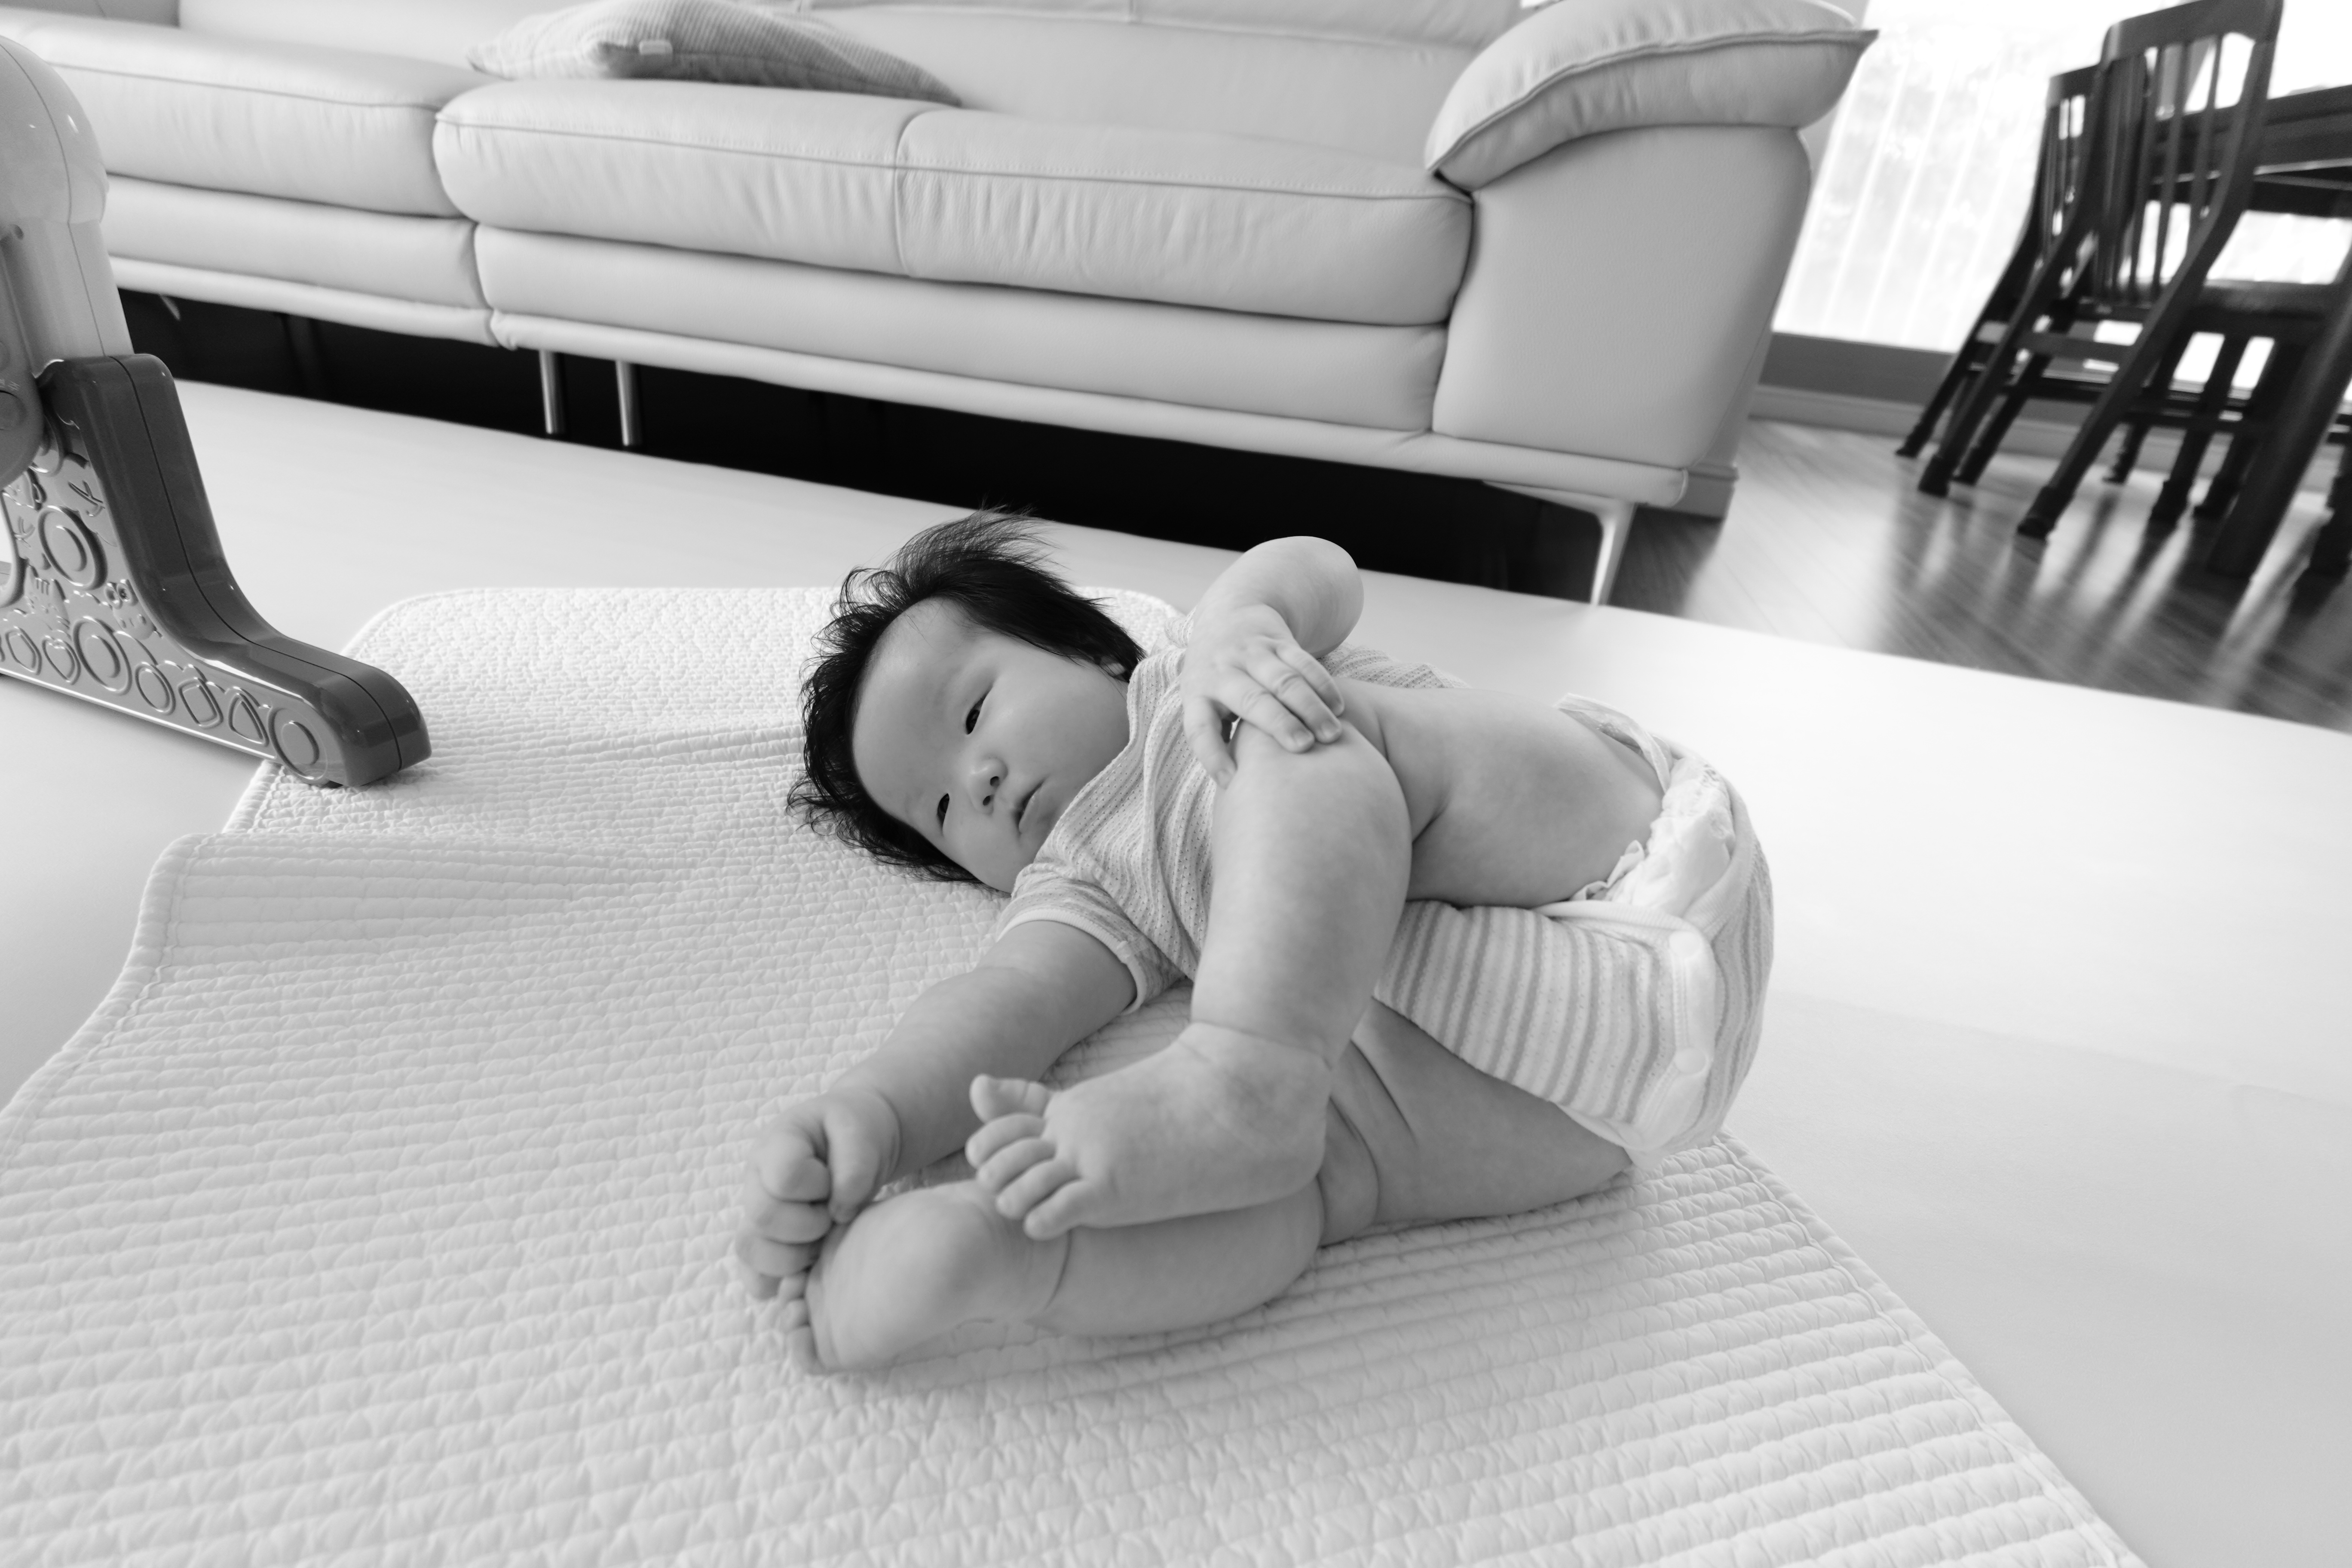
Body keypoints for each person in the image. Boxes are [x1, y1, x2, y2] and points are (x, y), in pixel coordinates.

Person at [737, 515, 1771, 1370]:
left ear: (1092, 648)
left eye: (976, 714)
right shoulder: (1084, 886)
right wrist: (873, 1113)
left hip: (1615, 849)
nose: (981, 782)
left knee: (1304, 733)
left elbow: (1322, 565)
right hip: (1569, 1110)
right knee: (1312, 1174)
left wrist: (1244, 623)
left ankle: (1243, 1070)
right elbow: (1000, 1006)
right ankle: (1011, 1257)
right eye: (939, 811)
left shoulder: (1202, 670)